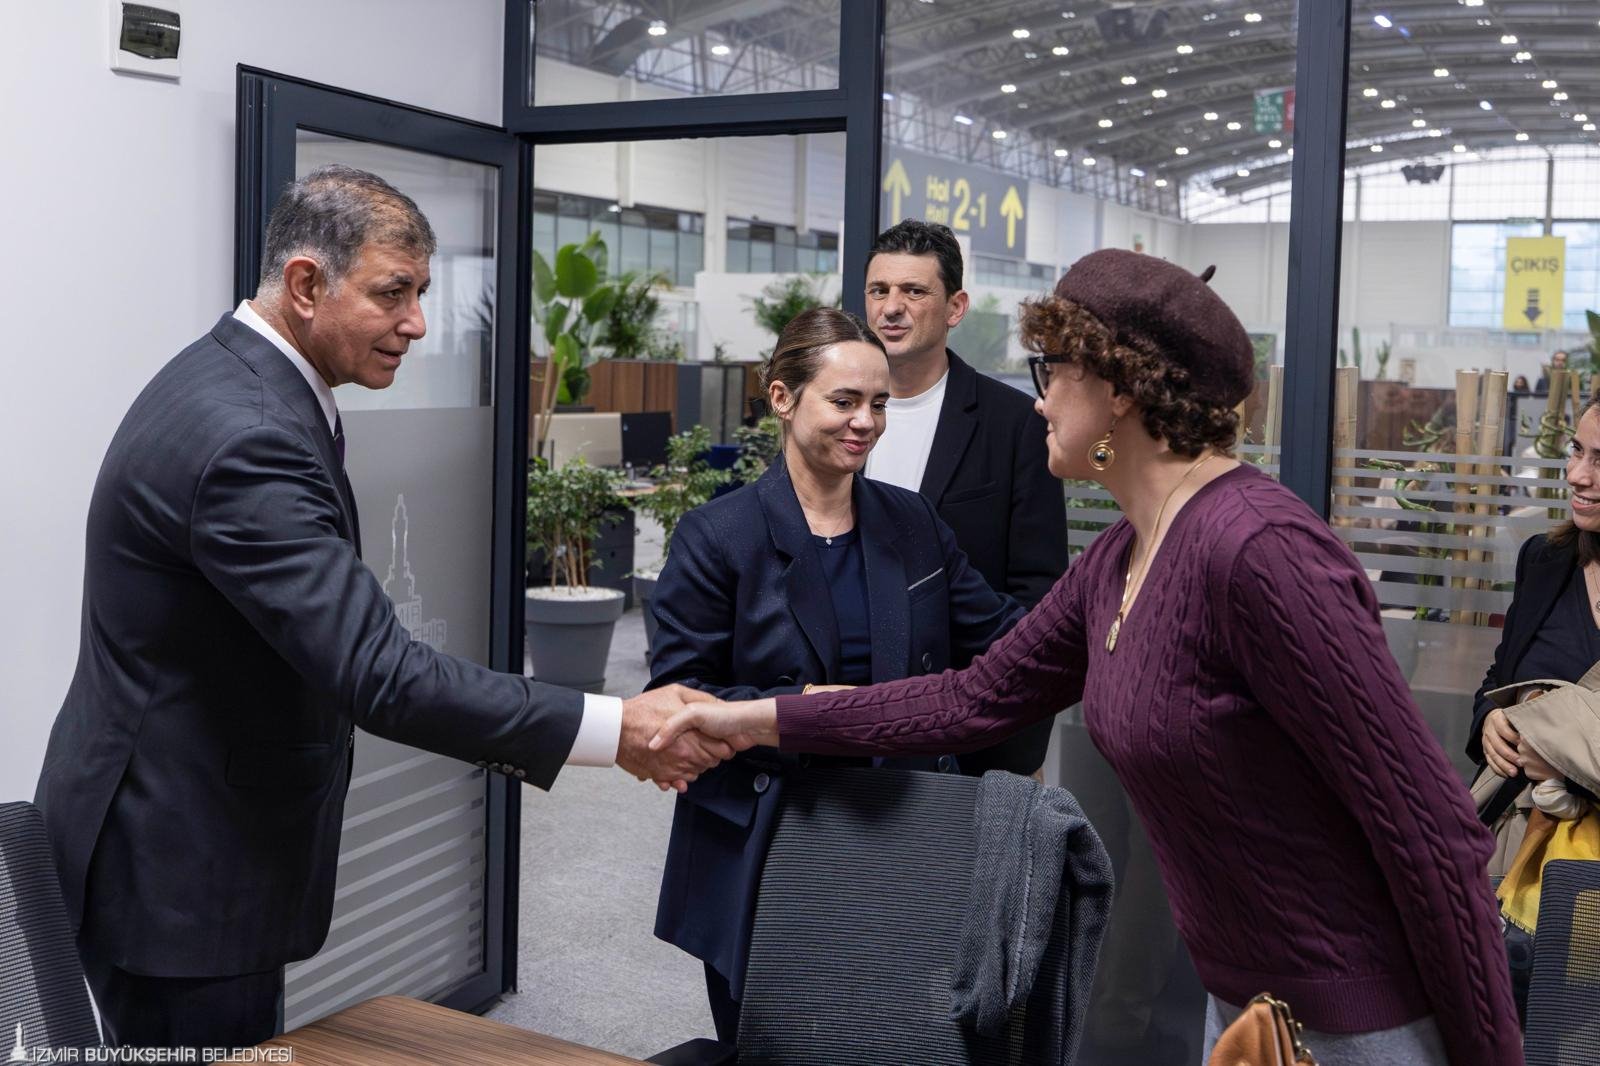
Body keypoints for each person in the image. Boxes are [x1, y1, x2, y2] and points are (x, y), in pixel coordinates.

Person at [655, 250, 1523, 1065]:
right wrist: (753, 718)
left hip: (1358, 1017)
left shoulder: (1261, 549)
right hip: (1248, 1001)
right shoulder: (1123, 554)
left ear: (1118, 390)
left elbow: (1434, 834)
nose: (1038, 402)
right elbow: (970, 698)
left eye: (1052, 372)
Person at [33, 165, 723, 1049]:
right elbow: (380, 674)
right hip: (179, 869)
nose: (418, 323)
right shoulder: (248, 433)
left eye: (423, 293)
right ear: (305, 284)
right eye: (392, 293)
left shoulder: (240, 380)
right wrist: (615, 727)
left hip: (178, 830)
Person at [647, 308, 1025, 1041]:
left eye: (879, 404)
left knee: (894, 1037)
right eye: (845, 401)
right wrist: (804, 708)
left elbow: (1005, 635)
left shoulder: (914, 524)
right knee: (772, 1043)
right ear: (782, 398)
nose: (865, 423)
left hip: (902, 829)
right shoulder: (717, 536)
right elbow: (676, 698)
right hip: (771, 834)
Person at [863, 220, 1067, 776]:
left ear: (955, 308)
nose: (891, 308)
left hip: (972, 730)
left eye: (914, 291)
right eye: (879, 290)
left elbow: (1037, 594)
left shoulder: (1014, 424)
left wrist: (1013, 737)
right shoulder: (836, 417)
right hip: (850, 722)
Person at [1472, 398, 1600, 1016]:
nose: (1577, 474)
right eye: (1577, 451)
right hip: (1518, 866)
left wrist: (1564, 754)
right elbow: (1500, 677)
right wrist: (1491, 721)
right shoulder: (1545, 561)